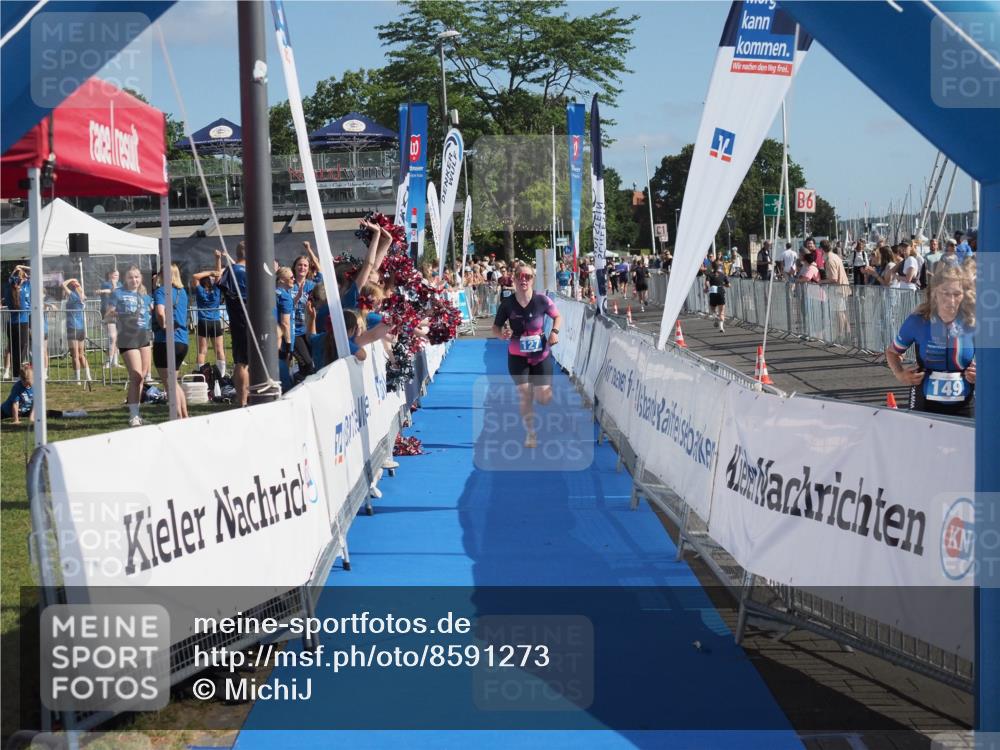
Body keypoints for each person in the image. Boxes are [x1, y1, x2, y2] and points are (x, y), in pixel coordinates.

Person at [886, 264, 974, 417]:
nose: (951, 300)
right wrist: (900, 374)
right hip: (924, 398)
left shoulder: (974, 323)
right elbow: (892, 352)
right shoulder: (917, 321)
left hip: (966, 399)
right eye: (945, 293)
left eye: (957, 294)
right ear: (934, 294)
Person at [491, 262, 563, 449]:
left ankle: (545, 391)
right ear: (514, 279)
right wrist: (501, 335)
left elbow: (558, 316)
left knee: (543, 398)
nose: (524, 280)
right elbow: (495, 328)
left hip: (540, 353)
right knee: (524, 395)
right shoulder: (507, 304)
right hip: (517, 354)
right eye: (520, 276)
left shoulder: (542, 300)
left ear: (533, 280)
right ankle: (531, 433)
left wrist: (554, 332)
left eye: (528, 277)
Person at [106, 265, 153, 426]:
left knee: (144, 375)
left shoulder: (145, 296)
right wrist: (119, 314)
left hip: (143, 335)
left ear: (141, 278)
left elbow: (152, 311)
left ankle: (136, 413)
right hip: (127, 336)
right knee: (136, 375)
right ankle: (133, 415)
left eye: (137, 277)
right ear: (125, 279)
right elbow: (107, 314)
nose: (134, 280)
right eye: (131, 277)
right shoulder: (118, 293)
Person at [152, 263, 190, 419]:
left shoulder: (161, 291)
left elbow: (160, 312)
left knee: (169, 384)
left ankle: (178, 416)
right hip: (182, 341)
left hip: (166, 341)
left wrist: (164, 325)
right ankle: (184, 416)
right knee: (174, 382)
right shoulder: (182, 292)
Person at [190, 251, 226, 376]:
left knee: (202, 351)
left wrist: (210, 272)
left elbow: (195, 276)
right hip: (215, 322)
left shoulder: (200, 291)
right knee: (219, 350)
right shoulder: (216, 290)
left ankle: (201, 375)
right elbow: (218, 275)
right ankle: (221, 374)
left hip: (203, 321)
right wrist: (218, 259)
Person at [62, 278, 91, 384]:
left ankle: (77, 379)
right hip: (81, 329)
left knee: (74, 356)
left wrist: (71, 280)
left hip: (72, 327)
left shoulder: (74, 296)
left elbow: (63, 284)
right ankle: (88, 377)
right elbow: (80, 290)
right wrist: (77, 283)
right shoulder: (83, 297)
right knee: (81, 354)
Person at [7, 265, 31, 379]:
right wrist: (21, 267)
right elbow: (34, 273)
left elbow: (11, 279)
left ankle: (15, 375)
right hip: (22, 322)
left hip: (12, 323)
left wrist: (16, 269)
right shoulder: (24, 287)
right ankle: (18, 374)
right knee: (22, 348)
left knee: (14, 349)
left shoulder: (10, 287)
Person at [98, 268, 123, 370]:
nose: (115, 277)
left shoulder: (120, 284)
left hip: (119, 313)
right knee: (112, 337)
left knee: (116, 339)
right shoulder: (105, 283)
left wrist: (114, 285)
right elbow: (112, 291)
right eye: (113, 275)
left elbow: (118, 292)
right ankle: (108, 361)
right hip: (108, 312)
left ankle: (115, 362)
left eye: (117, 276)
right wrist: (110, 286)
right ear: (109, 275)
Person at [704, 260, 730, 333]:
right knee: (721, 312)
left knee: (712, 309)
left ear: (712, 266)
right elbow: (729, 285)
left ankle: (715, 318)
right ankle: (721, 327)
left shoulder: (709, 274)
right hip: (720, 291)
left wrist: (707, 288)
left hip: (713, 292)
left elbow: (707, 282)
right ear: (719, 267)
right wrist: (723, 284)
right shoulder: (723, 274)